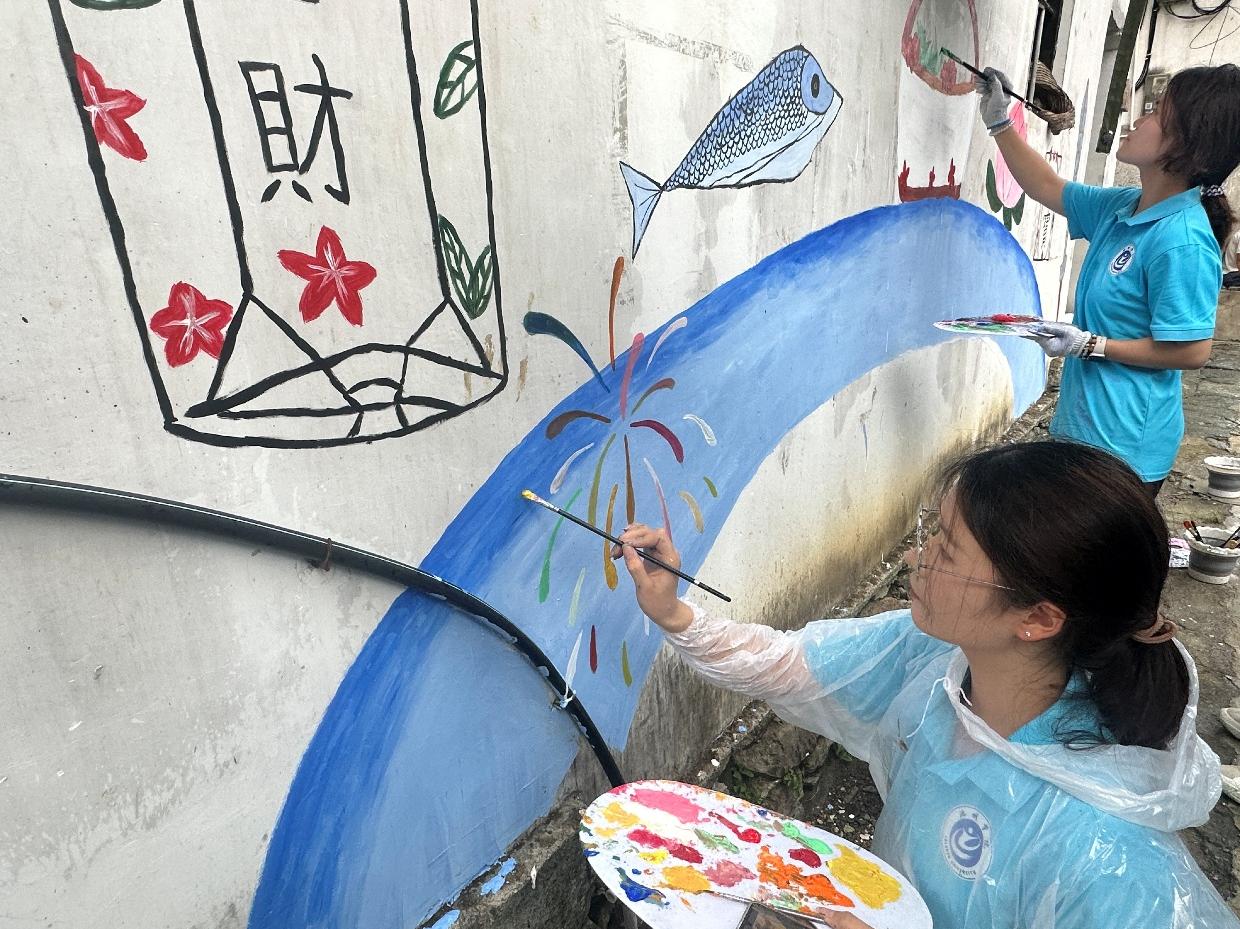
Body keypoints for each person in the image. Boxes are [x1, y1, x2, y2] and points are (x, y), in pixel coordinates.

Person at [614, 441, 1236, 929]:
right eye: (932, 533)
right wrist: (675, 613)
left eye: (947, 550)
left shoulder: (1107, 858)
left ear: (1039, 618)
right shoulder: (945, 658)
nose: (916, 558)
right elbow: (791, 664)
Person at [976, 65, 1240, 497]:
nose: (1137, 119)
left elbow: (1192, 350)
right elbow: (1046, 185)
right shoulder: (1124, 206)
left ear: (1187, 143)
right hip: (1081, 430)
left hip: (1124, 448)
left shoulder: (1182, 241)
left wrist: (1090, 345)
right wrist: (999, 122)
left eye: (1156, 112)